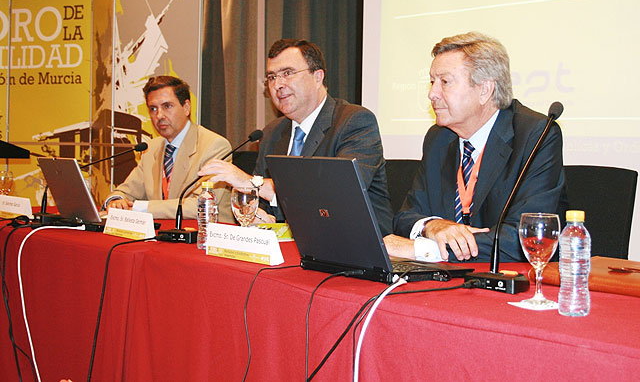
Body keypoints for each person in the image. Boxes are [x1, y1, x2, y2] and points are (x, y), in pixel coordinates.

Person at [385, 32, 566, 262]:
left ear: (484, 89)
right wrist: (433, 226)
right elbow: (405, 218)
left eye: (445, 82)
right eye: (432, 82)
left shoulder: (535, 135)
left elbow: (527, 239)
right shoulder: (439, 138)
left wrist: (425, 250)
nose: (432, 94)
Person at [198, 38, 393, 236]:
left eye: (288, 73)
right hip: (293, 249)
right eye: (272, 77)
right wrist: (259, 216)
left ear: (318, 77)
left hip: (354, 247)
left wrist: (252, 183)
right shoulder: (271, 133)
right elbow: (264, 204)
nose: (277, 85)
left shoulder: (354, 122)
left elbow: (337, 196)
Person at [104, 75, 233, 223]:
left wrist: (139, 208)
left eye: (167, 106)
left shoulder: (214, 146)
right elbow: (126, 191)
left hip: (206, 237)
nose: (159, 115)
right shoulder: (151, 148)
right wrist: (116, 201)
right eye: (153, 109)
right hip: (164, 236)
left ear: (186, 107)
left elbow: (200, 205)